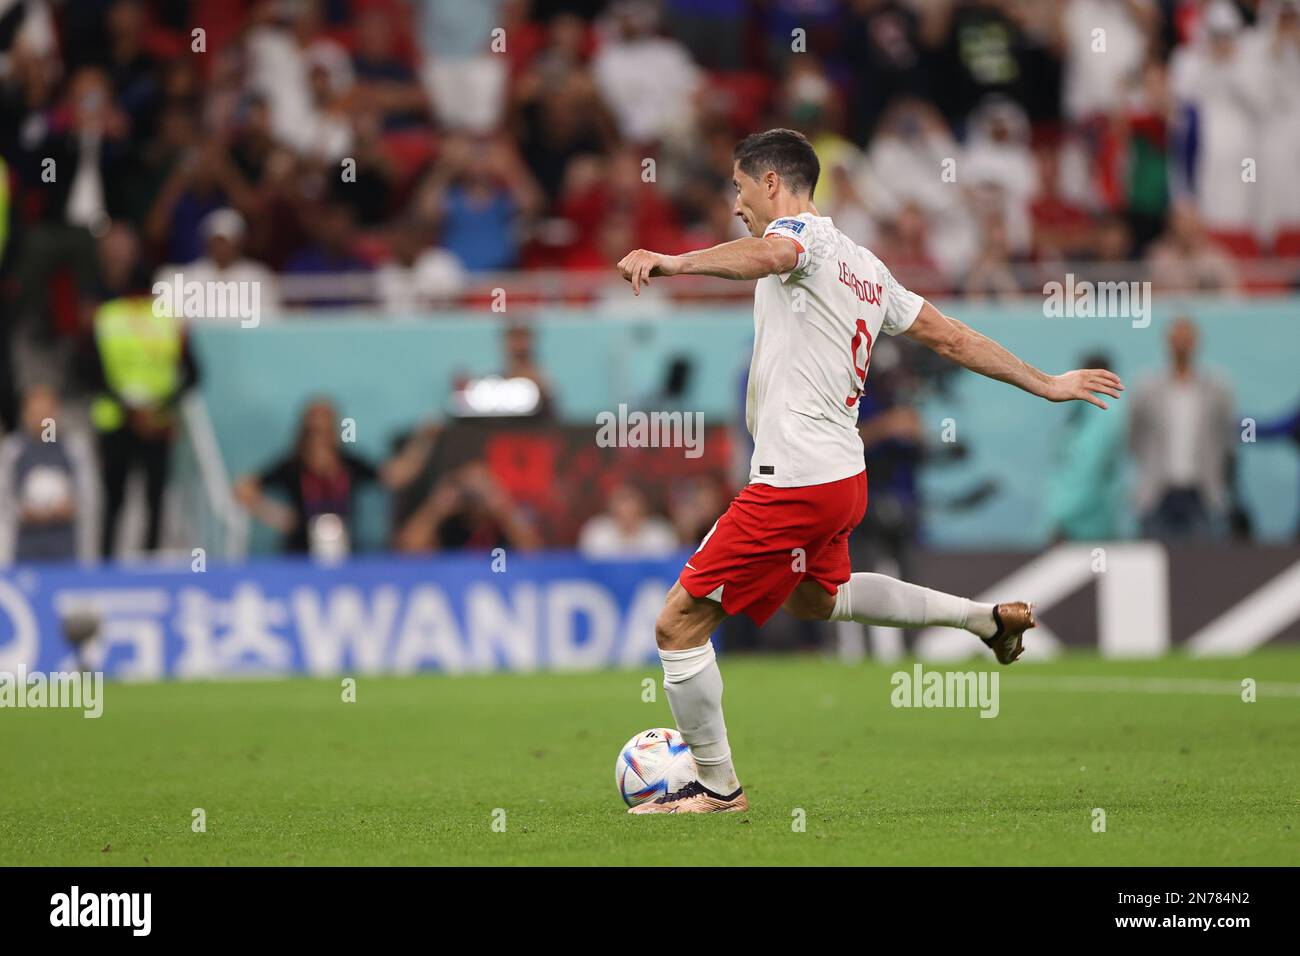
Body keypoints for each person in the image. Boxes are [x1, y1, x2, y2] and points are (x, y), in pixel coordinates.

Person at [615, 129, 1123, 814]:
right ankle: (984, 623)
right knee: (815, 598)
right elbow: (951, 336)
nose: (736, 205)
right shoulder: (866, 267)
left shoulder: (801, 239)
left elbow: (770, 251)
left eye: (739, 189)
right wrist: (1047, 383)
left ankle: (717, 787)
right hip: (839, 478)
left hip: (793, 477)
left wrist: (673, 263)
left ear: (772, 183)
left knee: (677, 624)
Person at [1129, 318, 1234, 540]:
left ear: (1196, 343)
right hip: (1157, 492)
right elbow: (1134, 437)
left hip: (1201, 492)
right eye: (1177, 340)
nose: (1181, 345)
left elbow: (1225, 438)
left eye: (1186, 339)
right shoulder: (1148, 388)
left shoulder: (1216, 389)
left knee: (1203, 564)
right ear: (1167, 343)